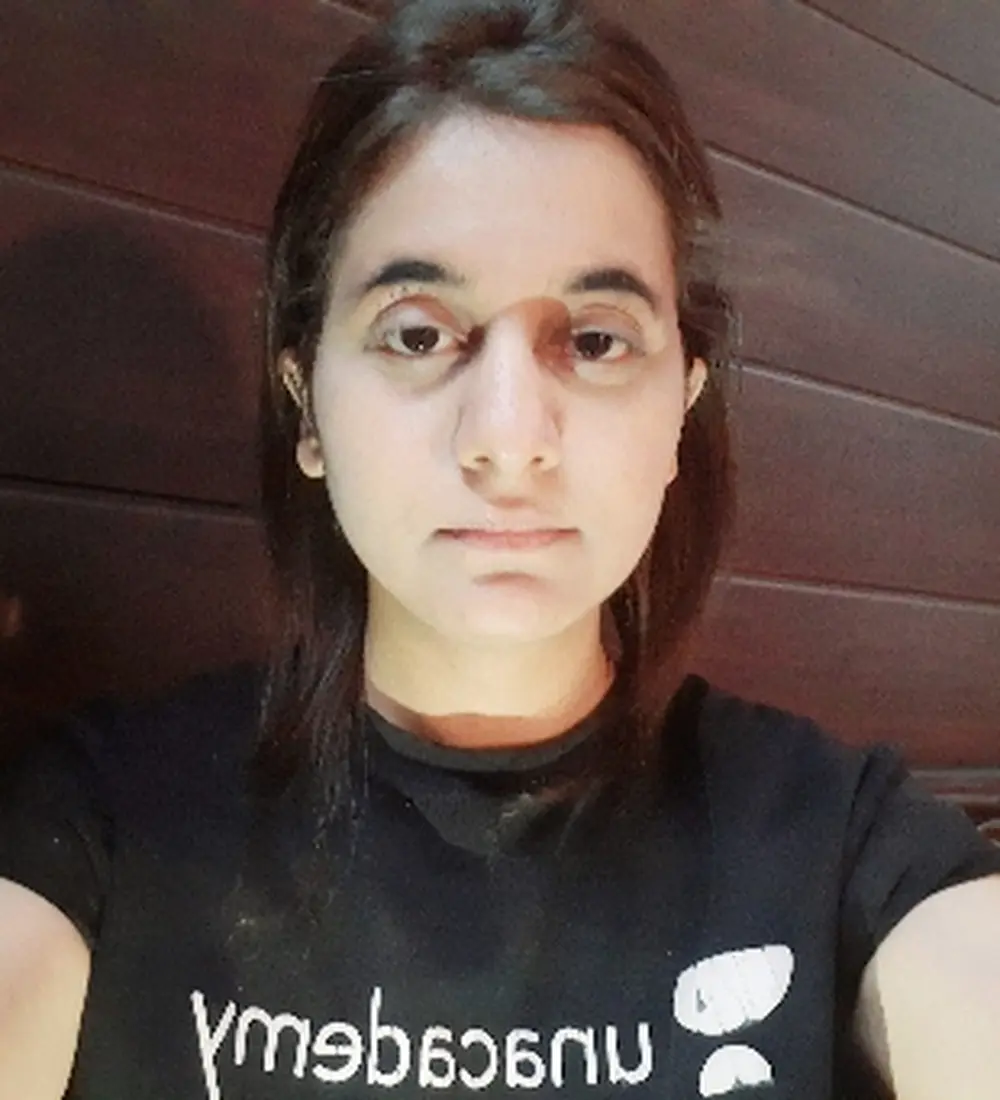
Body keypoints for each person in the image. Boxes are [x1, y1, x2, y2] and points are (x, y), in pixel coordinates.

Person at [1, 0, 998, 1097]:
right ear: (306, 406)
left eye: (597, 340)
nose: (510, 439)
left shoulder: (836, 842)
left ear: (682, 404)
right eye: (418, 333)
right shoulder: (108, 819)